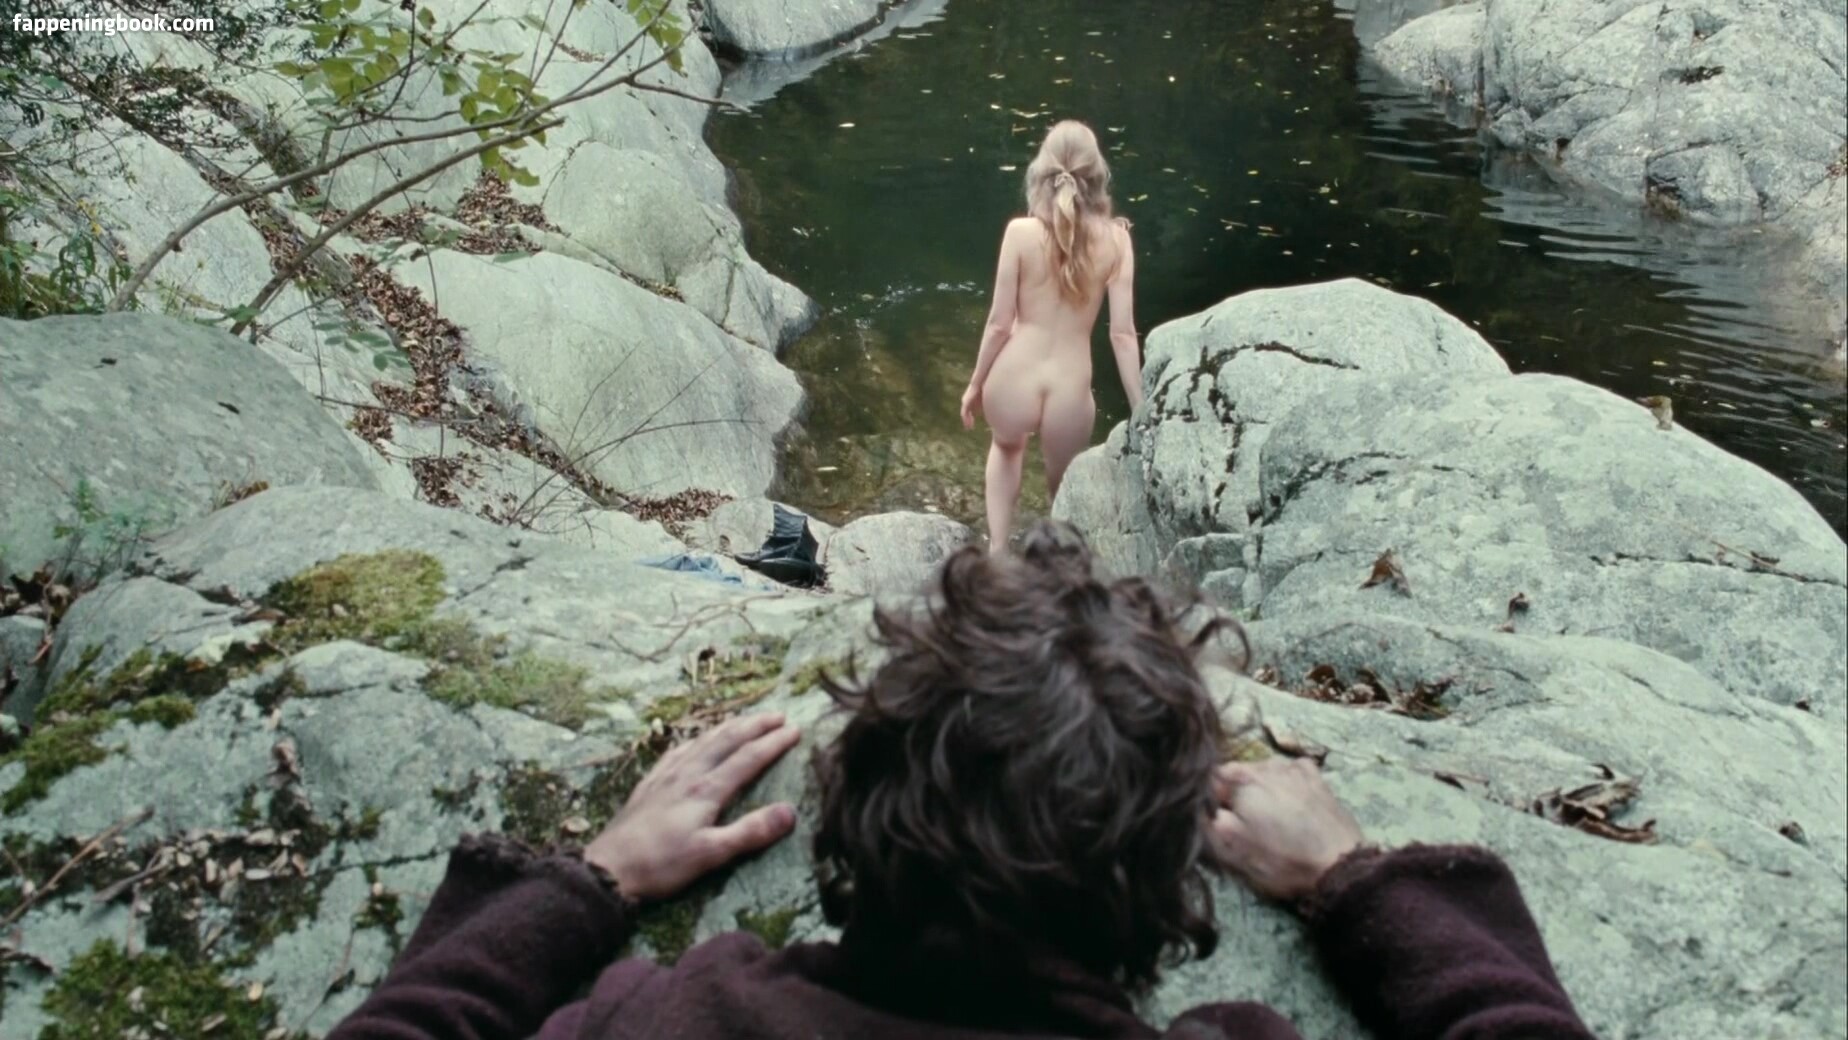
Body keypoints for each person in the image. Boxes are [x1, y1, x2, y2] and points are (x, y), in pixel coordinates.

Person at [327, 522, 1596, 1040]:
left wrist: (593, 880)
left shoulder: (672, 1020)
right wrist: (1353, 879)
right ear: (1172, 887)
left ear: (847, 803)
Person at [960, 120, 1144, 552]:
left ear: (1041, 173)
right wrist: (1141, 409)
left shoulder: (1019, 233)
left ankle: (997, 553)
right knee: (1063, 487)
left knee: (1006, 449)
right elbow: (1122, 335)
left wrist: (974, 385)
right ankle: (1054, 567)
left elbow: (999, 323)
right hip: (1069, 391)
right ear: (1097, 175)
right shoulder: (1118, 242)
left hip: (1012, 379)